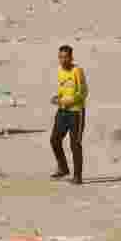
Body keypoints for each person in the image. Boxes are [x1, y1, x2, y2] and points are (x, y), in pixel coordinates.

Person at [49, 45, 87, 184]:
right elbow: (62, 88)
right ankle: (63, 168)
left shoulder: (77, 71)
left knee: (75, 144)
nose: (63, 60)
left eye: (66, 57)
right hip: (62, 111)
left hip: (76, 112)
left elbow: (82, 93)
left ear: (71, 58)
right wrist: (57, 97)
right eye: (60, 57)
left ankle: (77, 176)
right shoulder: (60, 71)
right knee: (54, 140)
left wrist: (65, 100)